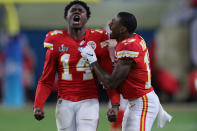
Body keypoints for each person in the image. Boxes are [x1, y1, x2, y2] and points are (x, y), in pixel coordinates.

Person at [33, 1, 120, 131]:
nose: (77, 12)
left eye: (81, 10)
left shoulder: (98, 38)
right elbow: (46, 79)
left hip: (89, 100)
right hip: (64, 102)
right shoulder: (55, 39)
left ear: (87, 17)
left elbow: (108, 77)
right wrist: (38, 105)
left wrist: (115, 104)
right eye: (73, 10)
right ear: (66, 16)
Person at [80, 12, 172, 131]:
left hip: (142, 102)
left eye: (113, 22)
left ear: (123, 29)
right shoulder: (132, 39)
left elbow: (111, 83)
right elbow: (118, 80)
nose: (110, 25)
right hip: (135, 101)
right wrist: (116, 105)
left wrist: (92, 60)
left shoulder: (129, 46)